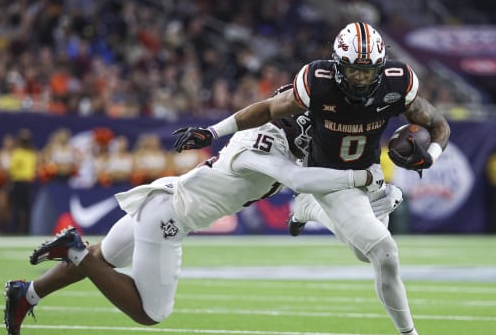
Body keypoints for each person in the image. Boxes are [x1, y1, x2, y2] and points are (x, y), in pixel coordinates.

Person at [3, 88, 388, 335]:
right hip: (169, 218)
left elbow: (307, 179)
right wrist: (363, 176)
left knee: (105, 257)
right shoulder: (265, 147)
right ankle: (74, 251)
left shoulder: (268, 135)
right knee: (149, 313)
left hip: (164, 198)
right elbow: (299, 179)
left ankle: (28, 294)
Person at [172, 22, 451, 335]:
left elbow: (440, 127)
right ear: (336, 65)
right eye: (352, 71)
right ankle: (409, 333)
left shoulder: (399, 84)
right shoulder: (318, 81)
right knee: (385, 252)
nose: (360, 79)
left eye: (368, 72)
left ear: (382, 68)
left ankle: (307, 208)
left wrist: (431, 156)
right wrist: (212, 132)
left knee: (364, 253)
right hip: (327, 174)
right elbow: (267, 108)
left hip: (368, 175)